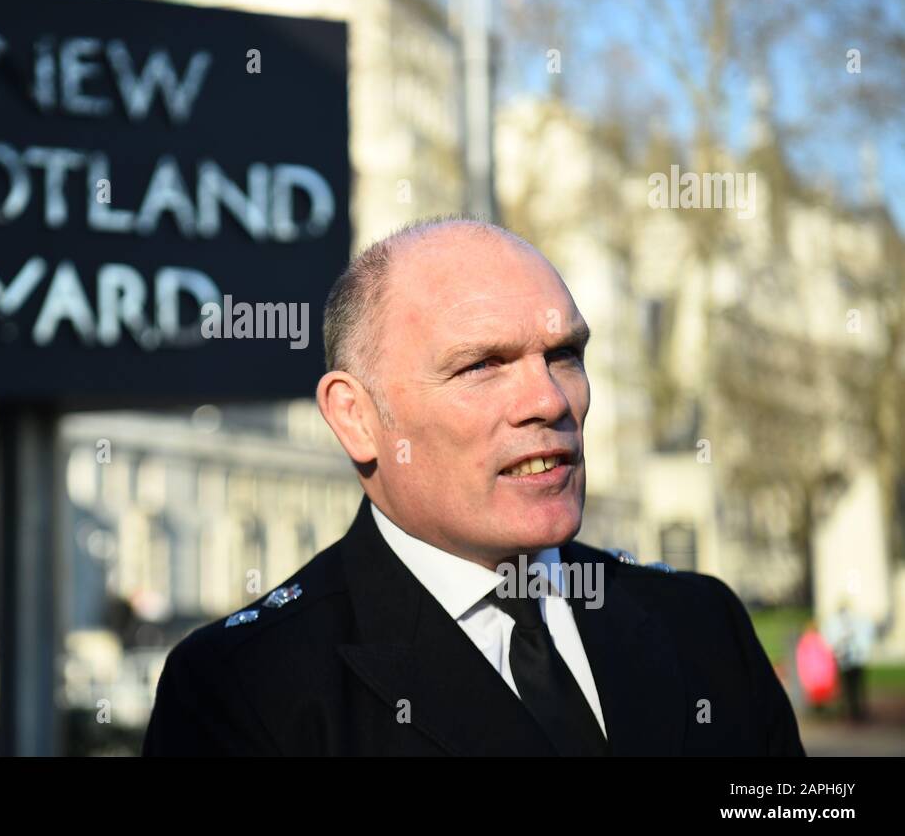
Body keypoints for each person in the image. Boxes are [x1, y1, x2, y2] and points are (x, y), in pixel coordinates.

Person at [142, 219, 805, 756]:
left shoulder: (701, 626)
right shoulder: (245, 690)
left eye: (564, 355)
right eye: (482, 365)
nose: (547, 399)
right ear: (357, 417)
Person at [821, 599, 876, 721]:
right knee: (850, 687)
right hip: (845, 658)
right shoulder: (837, 622)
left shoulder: (855, 621)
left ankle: (856, 711)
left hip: (854, 658)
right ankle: (852, 711)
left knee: (854, 686)